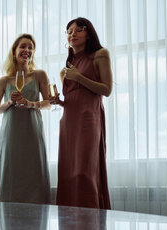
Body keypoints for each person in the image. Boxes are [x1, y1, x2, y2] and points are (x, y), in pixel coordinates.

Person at [50, 17, 113, 209]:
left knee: (85, 172)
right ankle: (70, 228)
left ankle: (90, 224)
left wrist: (79, 77)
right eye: (69, 32)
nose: (72, 34)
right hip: (68, 122)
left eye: (78, 30)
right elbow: (71, 99)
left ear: (88, 33)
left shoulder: (100, 54)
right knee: (68, 173)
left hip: (88, 119)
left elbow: (106, 90)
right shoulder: (65, 70)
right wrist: (58, 101)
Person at [0, 34, 51, 204]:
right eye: (23, 47)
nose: (27, 50)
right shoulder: (4, 80)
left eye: (31, 48)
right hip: (12, 133)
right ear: (14, 51)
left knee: (34, 171)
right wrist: (10, 101)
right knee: (12, 173)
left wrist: (30, 104)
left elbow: (48, 103)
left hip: (32, 130)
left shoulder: (39, 75)